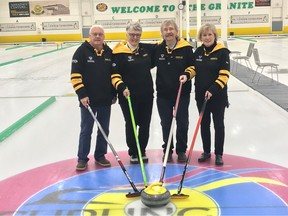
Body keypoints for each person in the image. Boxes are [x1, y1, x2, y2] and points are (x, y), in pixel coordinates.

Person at [183, 23, 230, 165]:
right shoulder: (198, 52)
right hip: (201, 96)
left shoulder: (222, 52)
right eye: (204, 35)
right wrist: (186, 75)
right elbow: (193, 68)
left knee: (218, 125)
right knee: (204, 124)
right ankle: (206, 151)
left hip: (218, 96)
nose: (207, 37)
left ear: (215, 36)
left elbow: (224, 75)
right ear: (200, 37)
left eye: (210, 34)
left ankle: (219, 154)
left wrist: (213, 89)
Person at [71, 25, 116, 171]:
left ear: (104, 36)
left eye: (100, 34)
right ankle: (82, 158)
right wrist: (82, 95)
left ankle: (100, 155)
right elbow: (75, 76)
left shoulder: (109, 52)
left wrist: (113, 94)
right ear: (89, 36)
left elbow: (113, 74)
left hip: (105, 100)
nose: (97, 36)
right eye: (94, 34)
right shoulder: (81, 52)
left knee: (104, 130)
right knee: (86, 130)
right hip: (87, 101)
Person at [111, 22, 154, 164]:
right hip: (128, 95)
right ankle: (133, 152)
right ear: (126, 34)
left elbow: (164, 46)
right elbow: (114, 74)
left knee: (145, 124)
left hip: (147, 95)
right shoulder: (119, 52)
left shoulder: (147, 49)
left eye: (137, 35)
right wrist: (122, 87)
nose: (134, 37)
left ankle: (142, 150)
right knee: (131, 124)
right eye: (132, 34)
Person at [153, 19, 194, 162]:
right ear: (162, 33)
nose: (168, 32)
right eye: (165, 29)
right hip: (163, 94)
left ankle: (181, 150)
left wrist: (187, 75)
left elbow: (193, 67)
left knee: (182, 123)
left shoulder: (186, 48)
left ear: (176, 31)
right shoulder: (157, 49)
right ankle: (168, 150)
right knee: (166, 123)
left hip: (181, 94)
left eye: (171, 29)